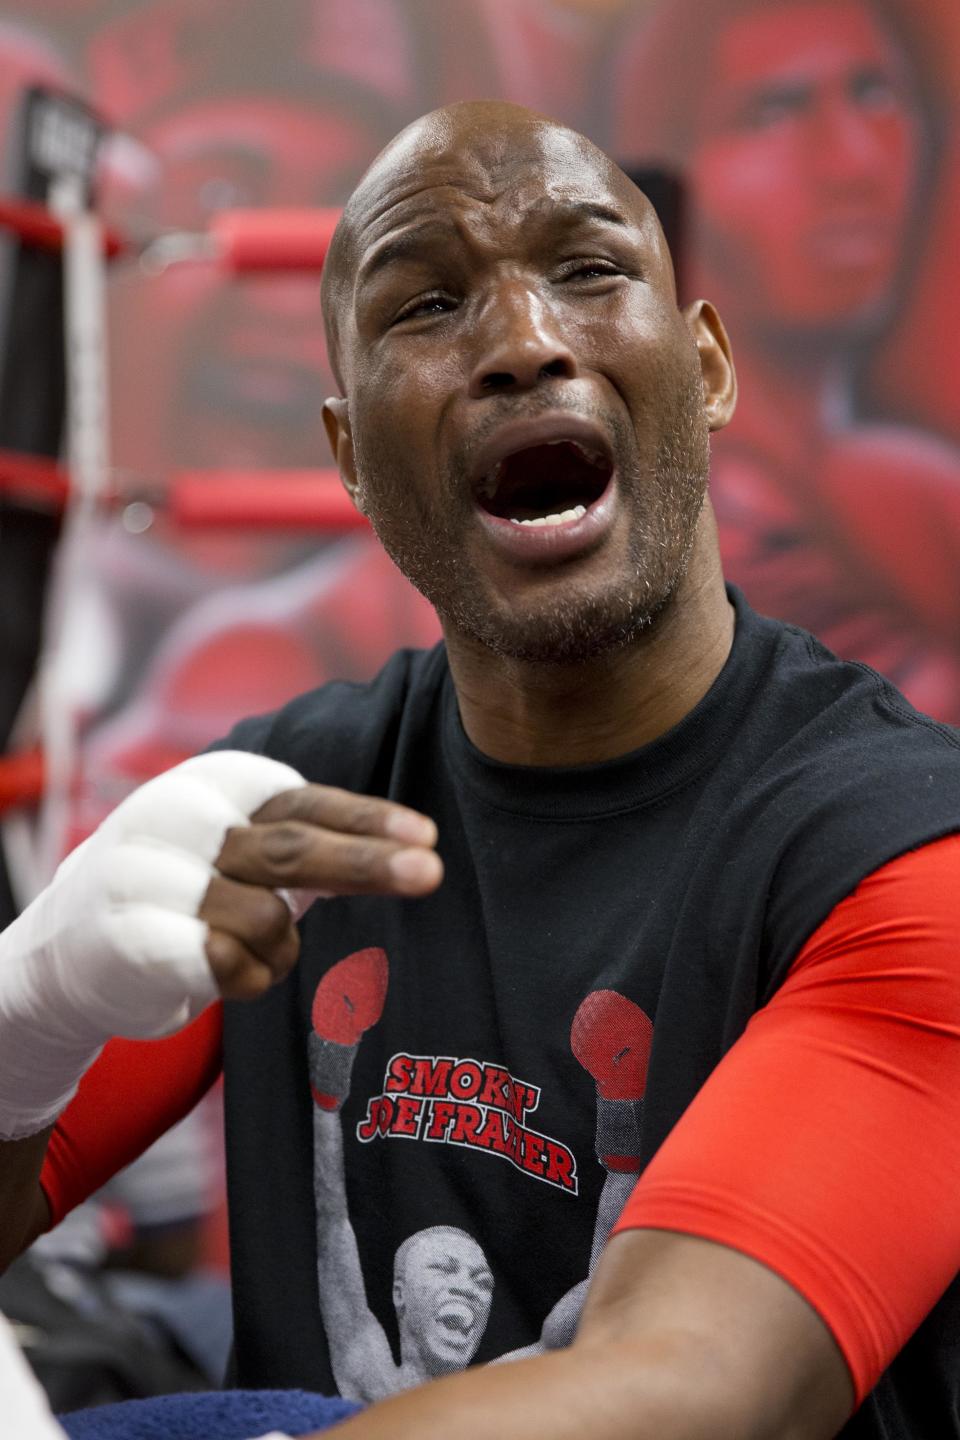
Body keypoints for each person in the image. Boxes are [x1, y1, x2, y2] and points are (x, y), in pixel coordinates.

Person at [0, 100, 959, 1440]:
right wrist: (29, 1020)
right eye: (426, 306)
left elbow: (697, 1390)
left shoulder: (899, 850)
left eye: (588, 269)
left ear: (711, 370)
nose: (521, 343)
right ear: (348, 456)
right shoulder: (290, 808)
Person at [611, 0, 960, 722]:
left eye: (876, 94)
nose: (855, 162)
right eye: (773, 111)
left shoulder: (893, 491)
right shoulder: (602, 511)